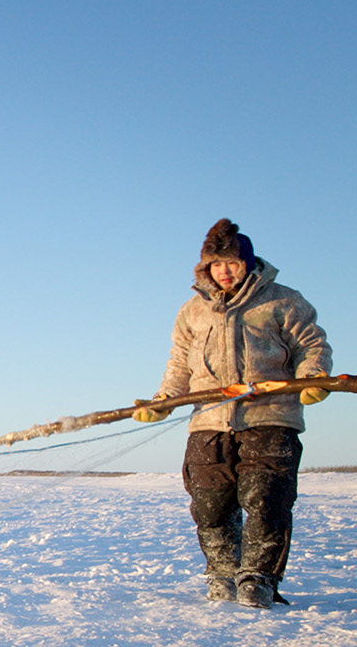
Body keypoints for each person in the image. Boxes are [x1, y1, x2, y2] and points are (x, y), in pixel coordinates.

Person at [134, 218, 331, 609]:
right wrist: (165, 398)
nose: (224, 271)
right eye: (215, 265)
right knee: (209, 503)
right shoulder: (193, 310)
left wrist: (313, 377)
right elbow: (179, 364)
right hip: (209, 420)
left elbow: (312, 344)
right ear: (204, 269)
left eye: (232, 263)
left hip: (270, 415)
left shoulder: (283, 300)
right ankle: (223, 571)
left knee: (265, 499)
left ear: (248, 263)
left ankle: (258, 577)